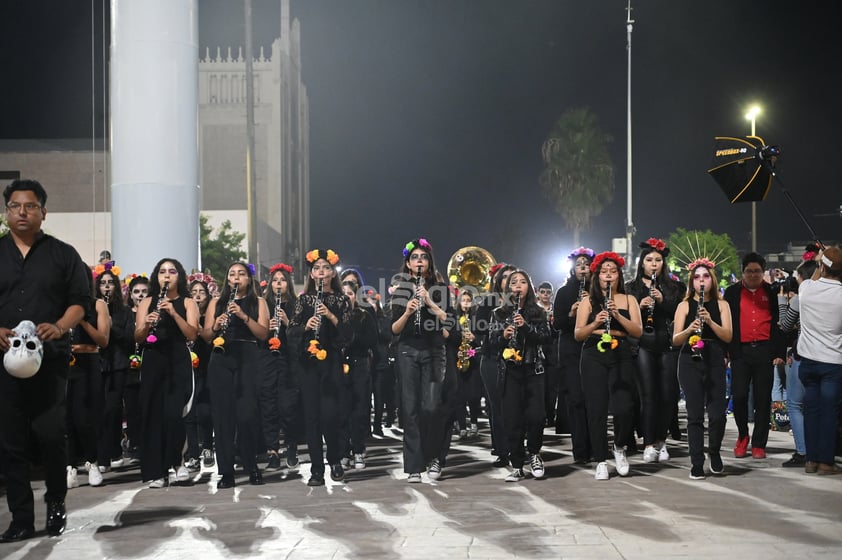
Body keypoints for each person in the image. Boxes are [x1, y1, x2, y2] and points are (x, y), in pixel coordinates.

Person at [0, 179, 91, 541]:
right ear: (7, 211)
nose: (22, 212)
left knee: (52, 436)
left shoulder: (63, 254)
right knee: (11, 441)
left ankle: (56, 505)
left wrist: (59, 326)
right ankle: (21, 518)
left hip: (50, 360)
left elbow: (80, 301)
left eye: (30, 206)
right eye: (15, 206)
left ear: (43, 212)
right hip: (4, 362)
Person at [574, 251, 642, 480]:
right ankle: (601, 459)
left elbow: (637, 331)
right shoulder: (587, 301)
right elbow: (578, 334)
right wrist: (596, 321)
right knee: (596, 409)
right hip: (594, 351)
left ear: (619, 275)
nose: (609, 276)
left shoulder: (628, 299)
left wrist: (617, 316)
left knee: (624, 407)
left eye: (613, 272)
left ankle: (619, 447)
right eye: (604, 272)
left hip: (621, 349)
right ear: (597, 276)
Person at [287, 249, 352, 486]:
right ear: (312, 274)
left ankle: (334, 459)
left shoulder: (341, 300)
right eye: (317, 268)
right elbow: (290, 331)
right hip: (308, 363)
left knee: (330, 415)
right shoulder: (304, 300)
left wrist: (331, 317)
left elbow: (347, 335)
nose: (321, 272)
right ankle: (316, 470)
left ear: (332, 272)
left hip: (331, 362)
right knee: (312, 417)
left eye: (326, 267)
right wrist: (306, 326)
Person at [390, 238, 452, 482]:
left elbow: (449, 322)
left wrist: (429, 302)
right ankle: (414, 466)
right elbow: (393, 330)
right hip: (407, 350)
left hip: (434, 351)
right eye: (414, 257)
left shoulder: (440, 289)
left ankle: (434, 457)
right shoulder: (400, 289)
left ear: (429, 262)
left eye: (423, 257)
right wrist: (407, 311)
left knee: (431, 407)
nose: (419, 261)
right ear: (407, 263)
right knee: (410, 409)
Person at [134, 258, 199, 488]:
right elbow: (138, 337)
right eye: (162, 272)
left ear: (179, 276)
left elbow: (192, 334)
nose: (167, 276)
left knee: (173, 415)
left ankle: (176, 462)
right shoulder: (147, 302)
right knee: (153, 415)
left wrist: (173, 313)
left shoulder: (188, 302)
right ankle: (158, 472)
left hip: (177, 359)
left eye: (172, 271)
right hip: (153, 359)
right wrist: (146, 324)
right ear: (157, 276)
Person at [203, 262, 270, 488]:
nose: (236, 278)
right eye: (232, 274)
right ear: (227, 280)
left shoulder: (258, 302)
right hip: (221, 358)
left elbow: (263, 333)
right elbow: (205, 335)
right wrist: (215, 326)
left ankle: (251, 465)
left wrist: (242, 316)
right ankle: (226, 472)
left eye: (241, 274)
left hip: (248, 356)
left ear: (249, 280)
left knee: (247, 415)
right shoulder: (216, 302)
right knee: (223, 417)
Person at [624, 238, 685, 463]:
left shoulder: (675, 287)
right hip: (642, 345)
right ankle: (648, 443)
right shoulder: (631, 288)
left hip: (668, 345)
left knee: (668, 396)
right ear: (642, 263)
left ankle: (662, 441)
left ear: (663, 263)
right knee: (648, 395)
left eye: (658, 260)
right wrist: (639, 306)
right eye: (649, 260)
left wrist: (663, 302)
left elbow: (681, 315)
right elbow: (625, 318)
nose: (653, 264)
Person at [672, 258, 732, 479]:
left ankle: (714, 452)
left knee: (717, 414)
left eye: (705, 276)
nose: (701, 280)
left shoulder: (722, 304)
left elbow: (728, 335)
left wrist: (710, 321)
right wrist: (690, 328)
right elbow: (676, 339)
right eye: (697, 277)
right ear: (692, 282)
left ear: (712, 279)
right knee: (694, 415)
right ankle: (696, 461)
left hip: (714, 357)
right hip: (690, 358)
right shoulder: (685, 305)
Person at [489, 269, 552, 481]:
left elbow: (545, 337)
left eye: (523, 282)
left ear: (529, 287)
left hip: (533, 369)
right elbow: (490, 343)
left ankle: (534, 454)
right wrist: (502, 334)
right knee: (512, 419)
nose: (518, 286)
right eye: (514, 282)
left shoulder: (538, 312)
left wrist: (524, 328)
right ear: (508, 289)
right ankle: (517, 464)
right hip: (510, 371)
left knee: (536, 416)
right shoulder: (498, 313)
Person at [723, 253, 786, 459]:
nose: (753, 275)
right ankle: (743, 436)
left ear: (763, 272)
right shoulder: (732, 293)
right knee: (739, 395)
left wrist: (778, 352)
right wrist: (727, 352)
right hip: (740, 352)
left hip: (764, 351)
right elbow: (727, 324)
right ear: (743, 272)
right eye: (749, 271)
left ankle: (759, 443)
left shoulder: (772, 292)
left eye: (757, 271)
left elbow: (778, 324)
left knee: (762, 399)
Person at [795, 247, 842, 474]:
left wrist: (819, 258)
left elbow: (813, 277)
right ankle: (826, 461)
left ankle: (810, 460)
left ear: (822, 267)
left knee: (811, 410)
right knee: (829, 412)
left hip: (808, 361)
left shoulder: (806, 289)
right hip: (833, 362)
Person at [65, 265, 110, 489]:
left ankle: (92, 462)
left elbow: (103, 340)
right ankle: (70, 466)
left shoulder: (97, 304)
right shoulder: (58, 303)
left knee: (84, 417)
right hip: (63, 362)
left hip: (88, 361)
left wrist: (81, 320)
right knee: (65, 417)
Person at [552, 247, 594, 464]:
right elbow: (557, 325)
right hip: (570, 347)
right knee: (576, 399)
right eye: (579, 265)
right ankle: (580, 450)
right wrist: (571, 313)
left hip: (593, 346)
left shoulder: (597, 290)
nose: (583, 268)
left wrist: (591, 304)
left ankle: (596, 446)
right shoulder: (563, 292)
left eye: (586, 264)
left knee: (593, 399)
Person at [260, 263, 302, 473]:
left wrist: (287, 323)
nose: (278, 284)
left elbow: (301, 338)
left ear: (288, 283)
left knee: (288, 408)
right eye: (275, 280)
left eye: (282, 280)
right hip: (267, 361)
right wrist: (266, 329)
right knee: (269, 407)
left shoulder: (297, 305)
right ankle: (272, 451)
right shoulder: (264, 304)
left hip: (289, 362)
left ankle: (291, 445)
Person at [778, 258, 818, 468]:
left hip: (803, 356)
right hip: (827, 357)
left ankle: (803, 451)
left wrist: (782, 301)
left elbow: (785, 326)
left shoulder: (800, 298)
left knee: (795, 404)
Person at [475, 263, 516, 467]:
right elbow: (477, 329)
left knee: (516, 405)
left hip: (518, 359)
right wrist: (499, 332)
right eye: (505, 277)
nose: (509, 281)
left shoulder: (523, 301)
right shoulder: (489, 301)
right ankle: (502, 450)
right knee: (497, 407)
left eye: (513, 277)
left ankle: (518, 446)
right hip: (492, 358)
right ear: (498, 281)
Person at [340, 279, 378, 469]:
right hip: (339, 366)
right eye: (343, 294)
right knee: (342, 409)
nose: (347, 298)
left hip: (360, 365)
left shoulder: (364, 316)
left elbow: (372, 340)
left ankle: (358, 449)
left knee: (359, 409)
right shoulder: (334, 316)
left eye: (350, 294)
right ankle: (344, 450)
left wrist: (351, 338)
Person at [184, 275, 215, 470]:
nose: (197, 296)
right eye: (193, 292)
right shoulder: (184, 313)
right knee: (189, 412)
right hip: (187, 367)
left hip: (207, 365)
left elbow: (210, 338)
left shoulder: (210, 315)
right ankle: (193, 453)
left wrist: (198, 327)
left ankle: (208, 447)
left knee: (204, 411)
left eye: (201, 292)